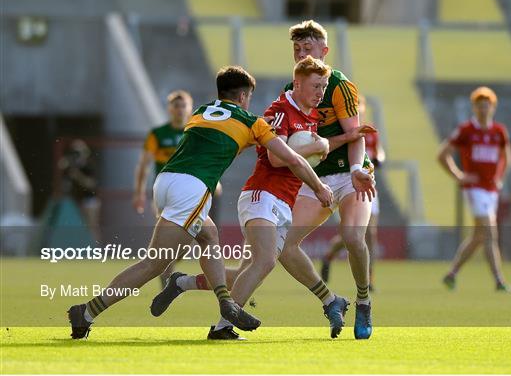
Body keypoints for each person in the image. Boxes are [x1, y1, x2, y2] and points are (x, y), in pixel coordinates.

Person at [67, 65, 333, 339]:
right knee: (154, 264)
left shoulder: (200, 113)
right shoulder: (252, 122)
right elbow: (290, 159)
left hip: (166, 182)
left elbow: (221, 143)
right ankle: (86, 312)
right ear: (243, 97)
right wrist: (319, 185)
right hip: (191, 188)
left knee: (209, 235)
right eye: (249, 97)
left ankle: (226, 305)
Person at [151, 57, 366, 339]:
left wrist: (334, 141)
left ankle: (183, 283)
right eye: (316, 86)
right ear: (298, 84)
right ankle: (222, 327)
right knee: (265, 261)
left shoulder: (311, 116)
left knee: (248, 269)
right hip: (262, 195)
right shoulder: (280, 111)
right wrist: (318, 175)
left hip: (283, 202)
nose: (320, 93)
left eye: (324, 87)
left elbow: (311, 148)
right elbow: (278, 158)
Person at [276, 20, 376, 340]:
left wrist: (358, 168)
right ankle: (331, 300)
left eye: (308, 48)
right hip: (316, 178)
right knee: (283, 245)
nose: (301, 54)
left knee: (351, 235)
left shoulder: (340, 85)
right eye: (297, 49)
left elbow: (355, 135)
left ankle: (363, 300)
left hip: (350, 173)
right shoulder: (289, 91)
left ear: (324, 51)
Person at [132, 90, 222, 288]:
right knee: (178, 238)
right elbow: (144, 164)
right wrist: (139, 193)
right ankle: (163, 271)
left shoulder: (195, 132)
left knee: (184, 242)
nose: (179, 110)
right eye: (175, 106)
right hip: (167, 194)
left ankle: (166, 269)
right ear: (169, 109)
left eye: (183, 106)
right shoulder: (158, 134)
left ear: (190, 109)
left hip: (191, 193)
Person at [438, 86, 511, 293]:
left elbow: (507, 158)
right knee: (490, 233)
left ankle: (451, 273)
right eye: (479, 106)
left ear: (493, 108)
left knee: (479, 237)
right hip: (474, 189)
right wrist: (459, 176)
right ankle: (499, 281)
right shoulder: (466, 131)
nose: (483, 110)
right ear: (474, 108)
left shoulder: (499, 132)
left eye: (486, 106)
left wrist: (499, 178)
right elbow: (442, 154)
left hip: (491, 190)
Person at [320, 96, 386, 290]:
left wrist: (378, 158)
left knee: (370, 234)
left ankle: (369, 277)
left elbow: (379, 152)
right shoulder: (341, 131)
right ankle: (329, 256)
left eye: (359, 107)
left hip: (368, 182)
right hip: (347, 184)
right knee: (354, 233)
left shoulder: (371, 131)